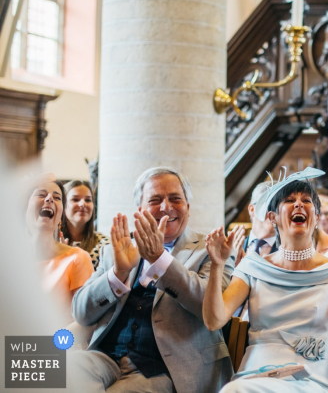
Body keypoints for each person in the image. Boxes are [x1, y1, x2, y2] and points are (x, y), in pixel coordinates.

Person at [70, 167, 235, 393]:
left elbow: (208, 308)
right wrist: (117, 274)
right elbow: (80, 313)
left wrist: (160, 260)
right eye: (155, 200)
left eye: (175, 198)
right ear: (140, 210)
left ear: (188, 206)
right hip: (104, 358)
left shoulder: (212, 249)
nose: (166, 207)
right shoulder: (118, 250)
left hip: (168, 369)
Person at [203, 167, 328, 393]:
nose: (298, 204)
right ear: (272, 217)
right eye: (289, 200)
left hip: (316, 375)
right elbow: (213, 320)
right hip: (259, 371)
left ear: (316, 218)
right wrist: (217, 266)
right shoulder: (253, 266)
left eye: (306, 200)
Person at [27, 177, 93, 325]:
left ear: (61, 215)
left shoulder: (77, 258)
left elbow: (87, 323)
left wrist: (50, 347)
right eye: (41, 194)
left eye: (57, 197)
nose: (50, 198)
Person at [61, 180, 110, 269]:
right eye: (75, 199)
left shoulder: (105, 245)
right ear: (62, 205)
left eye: (88, 200)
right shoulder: (50, 241)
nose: (83, 204)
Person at [242, 181, 277, 257]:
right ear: (252, 210)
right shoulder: (233, 249)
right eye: (269, 205)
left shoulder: (290, 250)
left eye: (279, 207)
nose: (275, 212)